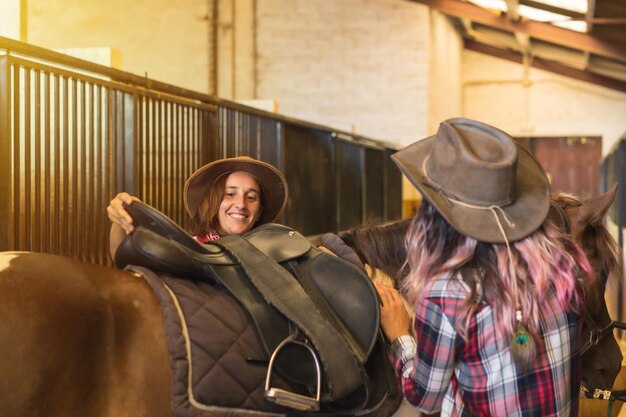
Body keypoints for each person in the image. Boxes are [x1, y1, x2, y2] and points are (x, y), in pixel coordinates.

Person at [376, 118, 592, 416]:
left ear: (433, 215)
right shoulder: (567, 263)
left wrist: (400, 336)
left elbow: (425, 399)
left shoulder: (446, 294)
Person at [107, 156, 288, 258]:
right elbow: (123, 257)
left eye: (251, 197)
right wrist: (122, 217)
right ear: (213, 203)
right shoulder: (188, 249)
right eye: (230, 194)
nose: (241, 204)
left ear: (259, 213)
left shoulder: (276, 253)